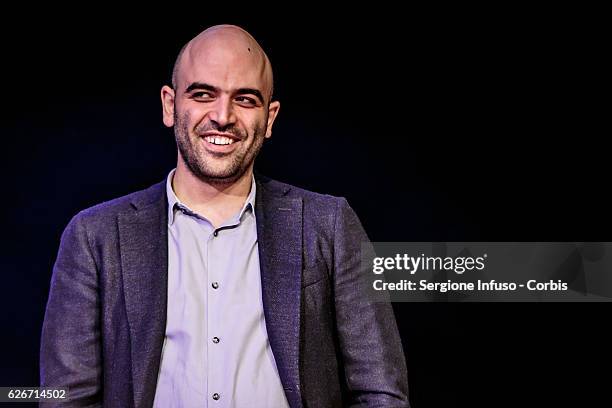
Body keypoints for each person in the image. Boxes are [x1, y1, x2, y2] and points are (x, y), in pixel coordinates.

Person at [40, 24, 409, 407]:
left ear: (269, 117)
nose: (222, 116)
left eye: (245, 100)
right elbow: (65, 398)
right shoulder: (94, 236)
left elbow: (380, 391)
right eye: (203, 94)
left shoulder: (328, 225)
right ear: (170, 105)